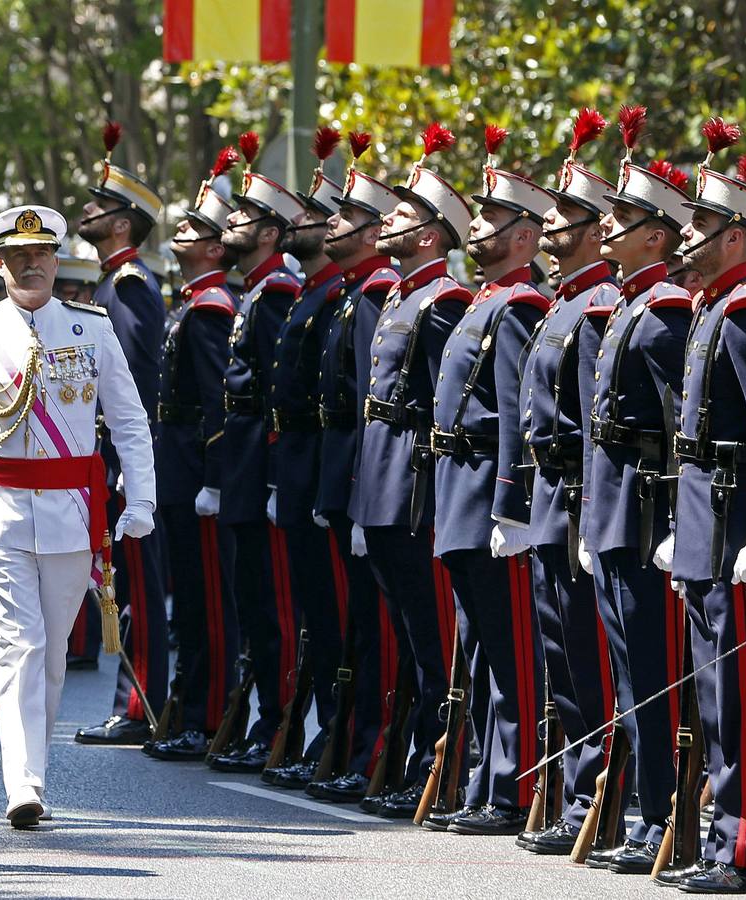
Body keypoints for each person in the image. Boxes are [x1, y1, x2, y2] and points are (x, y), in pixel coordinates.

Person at [0, 204, 155, 826]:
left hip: (73, 513)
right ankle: (22, 782)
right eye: (18, 256)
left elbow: (128, 418)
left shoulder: (91, 328)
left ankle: (35, 770)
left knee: (51, 655)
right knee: (19, 642)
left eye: (41, 255)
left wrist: (143, 497)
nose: (31, 265)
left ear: (55, 262)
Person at [667, 120, 746, 894]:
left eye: (704, 226)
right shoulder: (713, 305)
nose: (689, 237)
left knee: (737, 694)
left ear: (739, 238)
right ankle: (724, 842)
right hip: (700, 522)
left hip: (730, 526)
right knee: (713, 693)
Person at [423, 125, 551, 837]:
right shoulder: (483, 301)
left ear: (526, 235)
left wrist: (510, 503)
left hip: (486, 494)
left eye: (494, 219)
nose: (477, 228)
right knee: (478, 650)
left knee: (510, 652)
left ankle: (514, 786)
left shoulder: (518, 308)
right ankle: (483, 780)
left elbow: (514, 417)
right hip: (457, 490)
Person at [505, 111, 621, 855]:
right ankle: (577, 793)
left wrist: (577, 509)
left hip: (577, 504)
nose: (547, 230)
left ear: (594, 228)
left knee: (587, 656)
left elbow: (588, 424)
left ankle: (599, 800)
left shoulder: (597, 305)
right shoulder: (561, 305)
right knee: (560, 658)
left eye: (562, 219)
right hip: (548, 501)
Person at [584, 122, 696, 872]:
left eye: (621, 220)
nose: (605, 227)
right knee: (630, 675)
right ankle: (647, 812)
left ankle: (666, 818)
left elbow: (682, 432)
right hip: (615, 511)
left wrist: (677, 525)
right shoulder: (631, 305)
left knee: (654, 680)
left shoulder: (667, 315)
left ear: (657, 236)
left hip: (648, 514)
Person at [353, 124, 471, 819]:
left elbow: (440, 411)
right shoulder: (402, 295)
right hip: (385, 488)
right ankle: (423, 763)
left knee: (434, 645)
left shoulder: (443, 302)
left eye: (401, 214)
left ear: (430, 234)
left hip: (417, 493)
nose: (387, 222)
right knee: (409, 637)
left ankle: (445, 766)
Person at [304, 133, 401, 804]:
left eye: (342, 217)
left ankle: (376, 751)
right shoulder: (352, 293)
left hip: (364, 486)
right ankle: (354, 745)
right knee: (353, 628)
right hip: (340, 481)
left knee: (375, 631)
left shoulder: (374, 294)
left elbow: (373, 405)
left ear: (372, 232)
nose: (328, 224)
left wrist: (362, 496)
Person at [207, 132, 304, 773]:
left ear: (271, 233)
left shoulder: (274, 299)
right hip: (240, 472)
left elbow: (276, 398)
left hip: (259, 472)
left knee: (271, 613)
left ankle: (279, 727)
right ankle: (264, 721)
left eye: (244, 216)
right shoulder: (253, 295)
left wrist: (268, 480)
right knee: (251, 607)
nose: (231, 224)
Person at [143, 149, 241, 762]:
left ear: (215, 249)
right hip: (176, 467)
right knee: (191, 600)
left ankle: (208, 717)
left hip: (193, 471)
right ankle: (192, 707)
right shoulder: (192, 301)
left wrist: (212, 477)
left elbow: (216, 402)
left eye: (194, 229)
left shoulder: (209, 310)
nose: (180, 232)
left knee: (208, 603)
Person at [74, 128, 169, 746]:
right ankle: (136, 702)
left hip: (126, 454)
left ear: (122, 224)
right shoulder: (113, 282)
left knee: (139, 584)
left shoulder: (128, 286)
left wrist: (124, 462)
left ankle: (141, 704)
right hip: (113, 455)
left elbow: (132, 385)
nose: (85, 212)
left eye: (95, 207)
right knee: (127, 583)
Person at [261, 127, 347, 788]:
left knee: (340, 622)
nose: (297, 224)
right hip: (297, 470)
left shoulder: (340, 299)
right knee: (320, 617)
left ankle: (344, 743)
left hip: (326, 473)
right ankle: (328, 738)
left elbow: (347, 403)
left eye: (312, 217)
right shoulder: (312, 297)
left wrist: (327, 486)